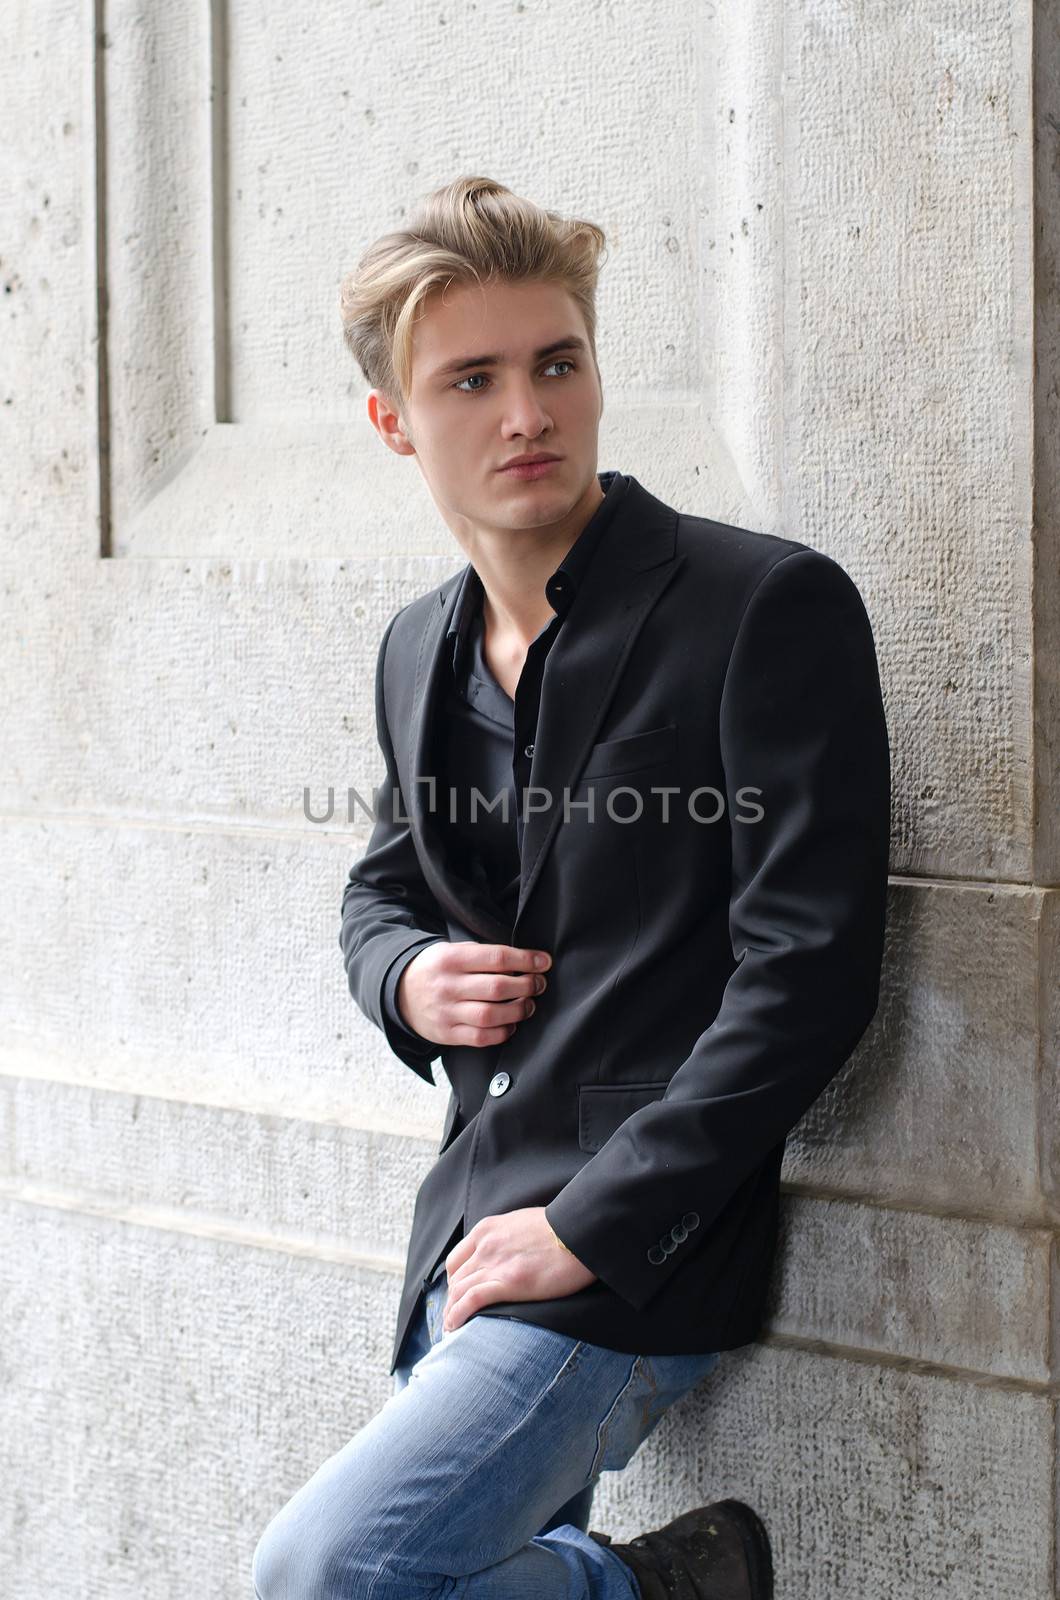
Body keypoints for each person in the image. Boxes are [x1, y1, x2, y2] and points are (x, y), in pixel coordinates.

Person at [252, 175, 891, 1600]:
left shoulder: (764, 606)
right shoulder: (417, 650)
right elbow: (380, 895)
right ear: (394, 423)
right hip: (465, 1228)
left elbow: (811, 971)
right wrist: (408, 979)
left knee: (323, 1578)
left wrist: (593, 1224)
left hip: (635, 1251)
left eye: (556, 363)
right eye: (470, 381)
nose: (526, 415)